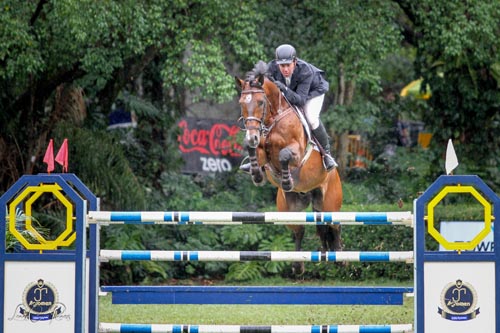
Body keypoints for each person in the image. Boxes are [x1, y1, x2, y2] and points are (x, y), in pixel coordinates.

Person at [241, 44, 337, 173]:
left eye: (288, 65)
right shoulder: (272, 68)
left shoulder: (305, 72)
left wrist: (284, 89)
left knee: (311, 117)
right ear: (277, 64)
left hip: (312, 92)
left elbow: (300, 100)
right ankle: (258, 159)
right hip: (291, 91)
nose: (285, 69)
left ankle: (326, 155)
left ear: (295, 62)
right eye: (282, 66)